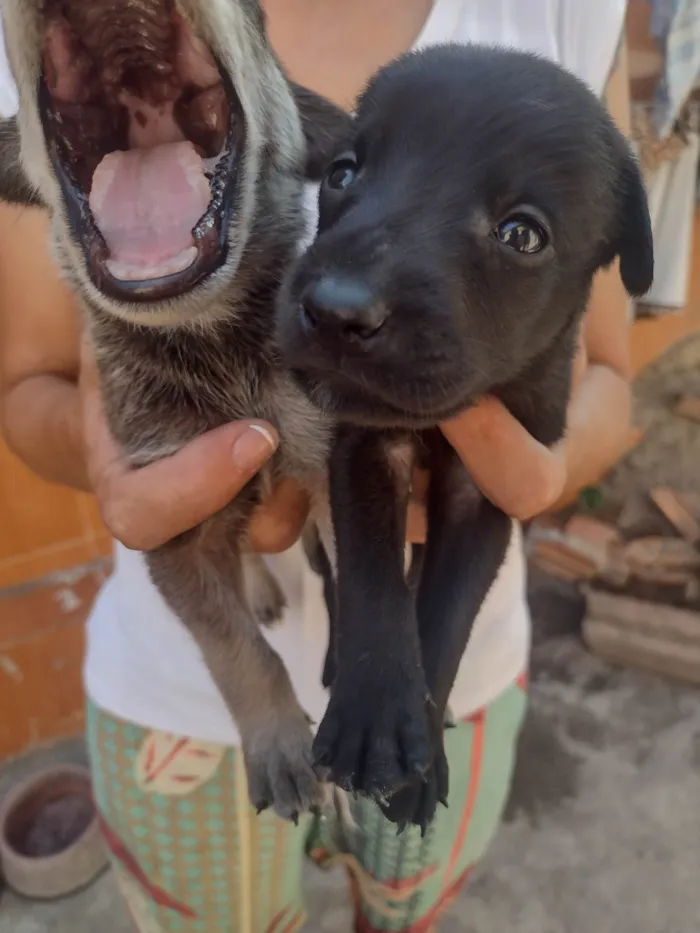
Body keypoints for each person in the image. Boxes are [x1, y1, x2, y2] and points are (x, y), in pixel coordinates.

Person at [0, 2, 634, 931]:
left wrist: (527, 476)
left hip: (450, 669)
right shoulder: (37, 38)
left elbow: (611, 368)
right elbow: (26, 386)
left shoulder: (562, 14)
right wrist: (114, 457)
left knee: (408, 908)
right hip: (182, 694)